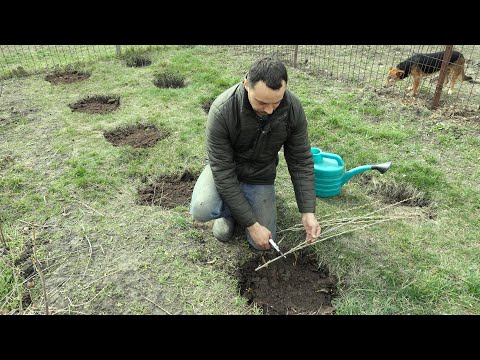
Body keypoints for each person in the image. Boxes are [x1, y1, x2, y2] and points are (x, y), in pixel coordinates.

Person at [190, 56, 321, 250]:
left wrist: (308, 211)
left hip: (260, 174)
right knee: (201, 207)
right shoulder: (222, 110)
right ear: (246, 85)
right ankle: (229, 215)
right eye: (262, 102)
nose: (269, 110)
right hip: (227, 169)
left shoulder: (293, 109)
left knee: (262, 244)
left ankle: (242, 209)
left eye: (276, 103)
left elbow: (300, 160)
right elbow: (223, 172)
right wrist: (251, 225)